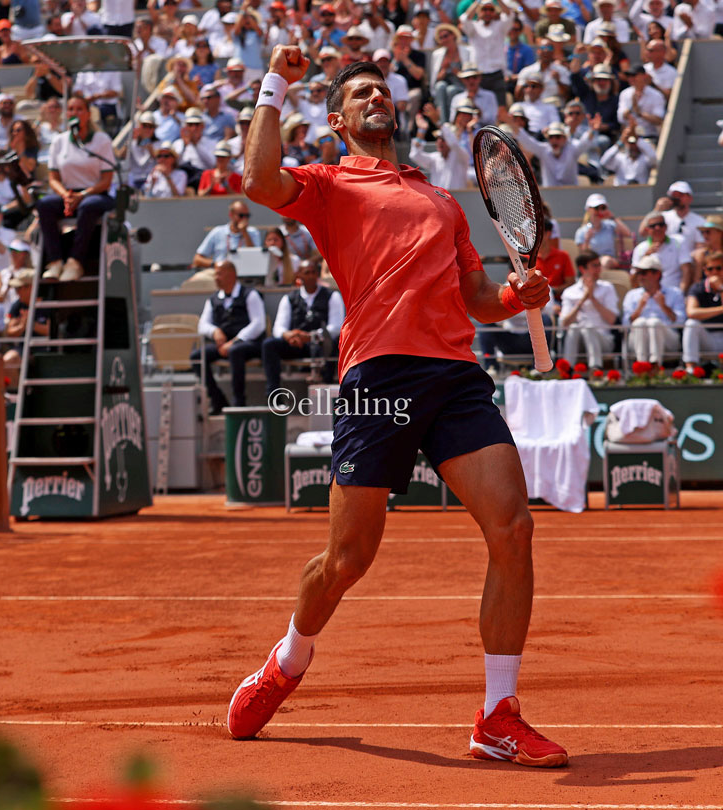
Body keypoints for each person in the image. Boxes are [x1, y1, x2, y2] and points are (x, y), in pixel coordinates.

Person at [229, 49, 565, 769]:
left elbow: (475, 297)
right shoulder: (327, 184)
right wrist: (274, 84)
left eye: (382, 89)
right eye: (360, 93)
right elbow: (257, 179)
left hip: (455, 378)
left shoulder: (442, 201)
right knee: (349, 560)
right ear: (337, 119)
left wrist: (516, 298)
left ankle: (497, 715)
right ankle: (287, 661)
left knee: (513, 526)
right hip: (378, 376)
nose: (377, 96)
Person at [37, 94, 115, 283]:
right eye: (71, 109)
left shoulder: (101, 140)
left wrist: (82, 195)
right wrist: (66, 195)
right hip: (69, 194)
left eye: (80, 109)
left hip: (94, 194)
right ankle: (54, 261)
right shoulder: (59, 141)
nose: (75, 113)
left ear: (88, 114)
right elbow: (53, 178)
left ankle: (75, 262)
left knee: (88, 207)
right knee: (44, 204)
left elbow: (106, 180)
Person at [190, 258, 265, 414]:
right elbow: (202, 325)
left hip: (249, 344)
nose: (216, 278)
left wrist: (236, 341)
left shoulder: (250, 294)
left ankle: (239, 402)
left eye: (219, 274)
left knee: (235, 351)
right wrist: (214, 331)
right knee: (197, 356)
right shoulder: (213, 299)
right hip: (223, 345)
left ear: (232, 274)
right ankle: (217, 399)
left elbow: (258, 324)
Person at [262, 261, 344, 393]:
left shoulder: (331, 296)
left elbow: (336, 327)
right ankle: (273, 394)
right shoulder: (289, 298)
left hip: (321, 344)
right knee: (269, 344)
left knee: (333, 343)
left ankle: (327, 388)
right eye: (307, 273)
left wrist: (311, 336)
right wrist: (289, 335)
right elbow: (278, 327)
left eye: (313, 273)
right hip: (298, 344)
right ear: (299, 275)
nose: (311, 276)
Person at [558, 250, 618, 371]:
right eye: (594, 266)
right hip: (578, 342)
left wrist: (593, 299)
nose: (599, 269)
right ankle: (566, 370)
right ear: (582, 269)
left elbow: (612, 320)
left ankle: (595, 370)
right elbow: (564, 323)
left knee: (588, 327)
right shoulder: (570, 292)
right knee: (574, 328)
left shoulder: (607, 288)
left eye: (599, 265)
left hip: (603, 340)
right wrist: (582, 301)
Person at [623, 254, 686, 367]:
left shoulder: (675, 293)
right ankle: (643, 366)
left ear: (657, 274)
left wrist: (664, 306)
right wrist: (639, 308)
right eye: (638, 273)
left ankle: (654, 365)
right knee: (640, 322)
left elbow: (680, 323)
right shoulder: (631, 295)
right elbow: (625, 325)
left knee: (654, 322)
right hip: (636, 341)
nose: (640, 277)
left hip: (668, 342)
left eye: (643, 273)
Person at [631, 210, 692, 292]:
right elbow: (634, 278)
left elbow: (686, 270)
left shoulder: (679, 242)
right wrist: (646, 256)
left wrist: (681, 293)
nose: (657, 228)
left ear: (666, 227)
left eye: (661, 224)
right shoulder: (640, 248)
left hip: (673, 292)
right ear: (647, 229)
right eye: (653, 226)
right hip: (648, 294)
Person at [192, 200, 258, 267]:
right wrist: (216, 264)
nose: (244, 219)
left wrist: (245, 233)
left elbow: (256, 257)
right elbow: (197, 259)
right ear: (231, 215)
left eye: (247, 216)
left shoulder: (253, 232)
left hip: (246, 273)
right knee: (198, 278)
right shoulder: (218, 231)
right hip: (219, 273)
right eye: (241, 215)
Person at [574, 193, 633, 260]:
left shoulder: (610, 225)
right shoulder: (581, 231)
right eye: (596, 208)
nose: (599, 211)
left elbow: (627, 234)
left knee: (606, 260)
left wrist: (612, 217)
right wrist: (587, 240)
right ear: (588, 209)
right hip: (592, 264)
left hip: (609, 262)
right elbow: (583, 255)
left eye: (603, 208)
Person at [664, 180, 704, 249]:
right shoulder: (662, 218)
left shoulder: (700, 221)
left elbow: (700, 247)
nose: (677, 198)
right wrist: (656, 210)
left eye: (680, 195)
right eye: (674, 196)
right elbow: (643, 232)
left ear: (690, 198)